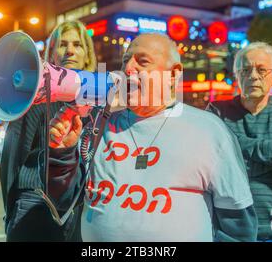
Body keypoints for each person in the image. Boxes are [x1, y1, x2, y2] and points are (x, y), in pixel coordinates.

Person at [48, 33, 257, 242]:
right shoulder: (99, 125)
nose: (128, 68)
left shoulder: (209, 130)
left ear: (173, 74)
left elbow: (239, 227)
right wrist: (63, 152)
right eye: (125, 61)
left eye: (143, 61)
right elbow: (66, 201)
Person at [0, 20, 97, 242]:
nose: (70, 50)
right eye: (62, 44)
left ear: (88, 56)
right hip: (36, 206)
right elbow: (12, 158)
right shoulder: (34, 99)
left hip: (80, 208)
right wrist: (12, 210)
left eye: (77, 44)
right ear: (51, 55)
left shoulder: (98, 102)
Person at [206, 42, 272, 242]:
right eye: (245, 70)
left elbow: (229, 163)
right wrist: (270, 159)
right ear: (237, 75)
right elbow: (211, 165)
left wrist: (235, 147)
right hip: (228, 231)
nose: (253, 76)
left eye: (262, 70)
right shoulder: (216, 111)